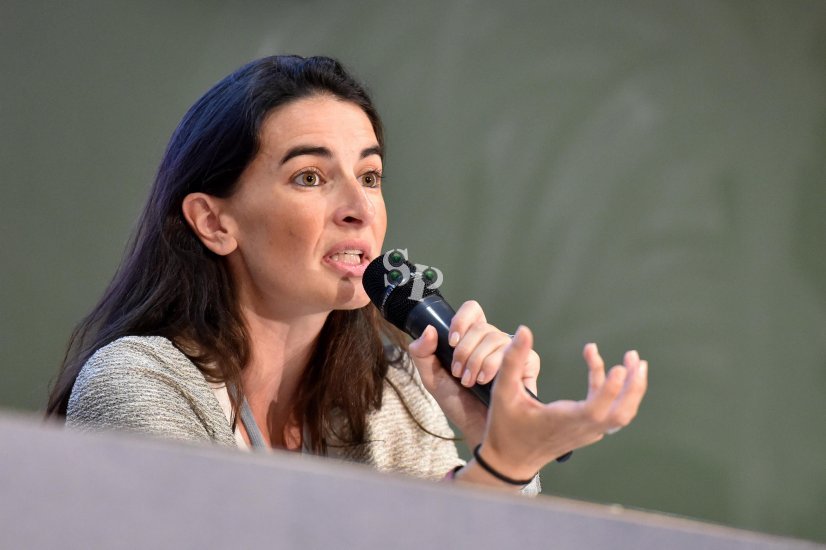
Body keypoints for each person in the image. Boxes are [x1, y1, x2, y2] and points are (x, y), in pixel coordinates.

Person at [46, 55, 648, 493]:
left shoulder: (391, 396)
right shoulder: (137, 384)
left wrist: (496, 448)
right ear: (213, 221)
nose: (358, 209)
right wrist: (498, 472)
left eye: (369, 177)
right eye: (310, 177)